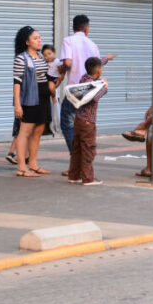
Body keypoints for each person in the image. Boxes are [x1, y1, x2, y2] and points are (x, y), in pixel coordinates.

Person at [58, 15, 116, 175]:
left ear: (74, 27)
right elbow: (96, 63)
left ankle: (75, 162)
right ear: (86, 28)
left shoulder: (68, 41)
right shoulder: (92, 44)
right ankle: (80, 164)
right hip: (89, 91)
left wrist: (62, 67)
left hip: (75, 90)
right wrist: (107, 59)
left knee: (67, 124)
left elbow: (68, 62)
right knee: (85, 125)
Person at [12, 26, 51, 177]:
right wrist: (17, 104)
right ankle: (21, 167)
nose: (39, 40)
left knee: (39, 130)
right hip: (29, 98)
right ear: (27, 42)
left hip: (43, 96)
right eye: (35, 38)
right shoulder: (21, 58)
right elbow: (16, 82)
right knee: (24, 132)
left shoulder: (41, 56)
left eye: (39, 37)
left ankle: (33, 163)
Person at [68, 57, 109, 186]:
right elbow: (95, 97)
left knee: (77, 149)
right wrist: (104, 87)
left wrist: (106, 59)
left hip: (78, 120)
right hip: (88, 122)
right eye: (101, 68)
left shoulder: (84, 79)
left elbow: (95, 66)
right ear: (98, 71)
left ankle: (74, 175)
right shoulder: (95, 86)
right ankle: (88, 178)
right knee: (88, 149)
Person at [42, 44, 62, 137]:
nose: (47, 56)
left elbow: (63, 71)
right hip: (46, 84)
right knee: (49, 109)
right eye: (45, 55)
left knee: (55, 109)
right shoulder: (45, 63)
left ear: (54, 53)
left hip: (53, 84)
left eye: (49, 53)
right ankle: (50, 128)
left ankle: (57, 128)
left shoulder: (58, 62)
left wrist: (60, 78)